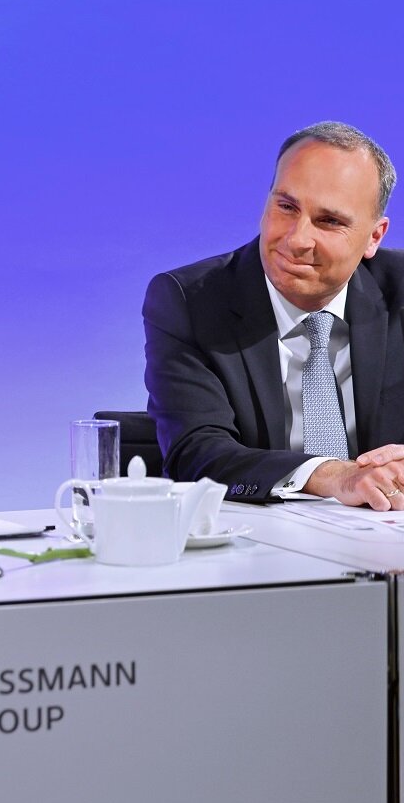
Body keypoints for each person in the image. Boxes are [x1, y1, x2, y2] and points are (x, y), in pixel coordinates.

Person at [144, 121, 404, 511]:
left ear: (374, 237)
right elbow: (198, 453)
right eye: (286, 207)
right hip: (256, 543)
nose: (297, 239)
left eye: (329, 221)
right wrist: (332, 475)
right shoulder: (191, 301)